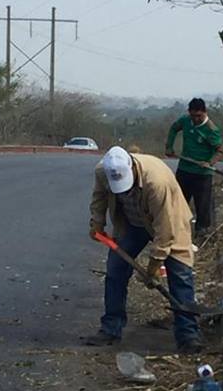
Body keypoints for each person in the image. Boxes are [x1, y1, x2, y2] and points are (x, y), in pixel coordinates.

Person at [86, 146, 202, 353]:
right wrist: (97, 222)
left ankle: (188, 335)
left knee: (180, 274)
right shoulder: (102, 171)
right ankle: (111, 328)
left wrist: (154, 265)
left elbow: (165, 229)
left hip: (169, 220)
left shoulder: (157, 182)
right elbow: (100, 197)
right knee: (115, 271)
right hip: (132, 223)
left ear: (132, 168)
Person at [165, 97, 222, 235]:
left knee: (202, 206)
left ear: (205, 112)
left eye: (198, 116)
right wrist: (169, 147)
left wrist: (209, 163)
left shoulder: (211, 130)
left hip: (203, 174)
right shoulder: (185, 121)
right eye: (193, 115)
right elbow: (174, 128)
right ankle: (177, 231)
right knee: (178, 201)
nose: (195, 119)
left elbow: (219, 151)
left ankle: (201, 232)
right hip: (185, 169)